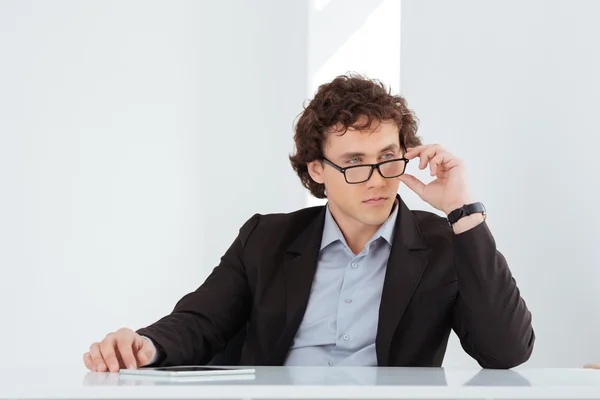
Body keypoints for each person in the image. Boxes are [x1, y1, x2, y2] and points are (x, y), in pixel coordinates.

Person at [83, 74, 534, 372]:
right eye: (354, 162)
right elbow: (201, 322)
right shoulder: (267, 238)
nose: (377, 179)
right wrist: (146, 345)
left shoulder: (445, 243)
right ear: (317, 169)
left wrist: (462, 211)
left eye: (388, 159)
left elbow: (506, 352)